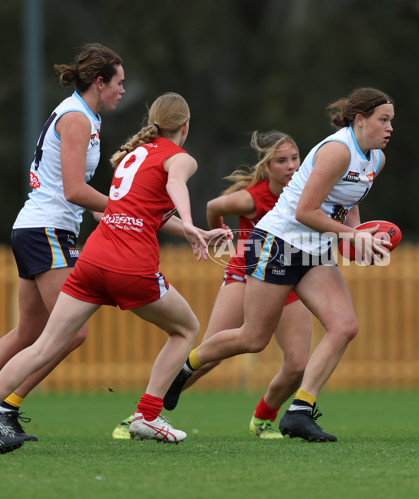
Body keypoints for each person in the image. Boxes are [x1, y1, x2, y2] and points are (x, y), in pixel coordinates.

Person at [0, 93, 232, 454]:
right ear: (184, 127)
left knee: (44, 344)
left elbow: (122, 212)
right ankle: (147, 415)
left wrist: (192, 231)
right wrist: (189, 221)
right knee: (186, 329)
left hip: (92, 259)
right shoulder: (180, 157)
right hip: (130, 265)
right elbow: (175, 185)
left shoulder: (131, 156)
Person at [163, 87, 394, 442]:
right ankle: (185, 368)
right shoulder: (337, 151)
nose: (390, 127)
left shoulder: (375, 158)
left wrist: (359, 237)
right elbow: (305, 211)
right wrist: (350, 237)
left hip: (314, 251)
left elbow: (349, 206)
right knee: (253, 338)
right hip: (277, 243)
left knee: (345, 325)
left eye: (391, 120)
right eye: (384, 119)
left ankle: (299, 411)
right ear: (360, 120)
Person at [111, 130, 313, 440]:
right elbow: (215, 206)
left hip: (285, 277)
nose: (290, 166)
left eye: (295, 158)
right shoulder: (252, 198)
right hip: (245, 276)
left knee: (298, 364)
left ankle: (262, 419)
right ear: (266, 166)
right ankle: (141, 416)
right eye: (281, 161)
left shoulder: (305, 191)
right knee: (208, 355)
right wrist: (220, 236)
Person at [0, 43, 124, 451]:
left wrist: (107, 215)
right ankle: (4, 409)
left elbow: (74, 191)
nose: (123, 91)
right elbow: (73, 190)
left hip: (39, 229)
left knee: (29, 333)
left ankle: (6, 410)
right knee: (72, 332)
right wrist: (127, 209)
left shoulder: (82, 115)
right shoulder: (76, 118)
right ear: (100, 82)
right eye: (119, 83)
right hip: (46, 231)